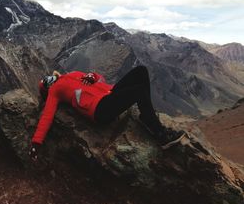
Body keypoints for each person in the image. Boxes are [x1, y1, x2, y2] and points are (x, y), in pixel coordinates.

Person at [29, 66, 186, 160]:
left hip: (108, 94)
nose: (47, 80)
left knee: (141, 71)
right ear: (48, 88)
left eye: (46, 78)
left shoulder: (72, 74)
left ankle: (147, 115)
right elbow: (47, 116)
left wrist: (92, 76)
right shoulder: (55, 91)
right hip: (99, 110)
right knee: (138, 91)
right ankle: (160, 134)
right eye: (45, 83)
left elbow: (99, 78)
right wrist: (36, 143)